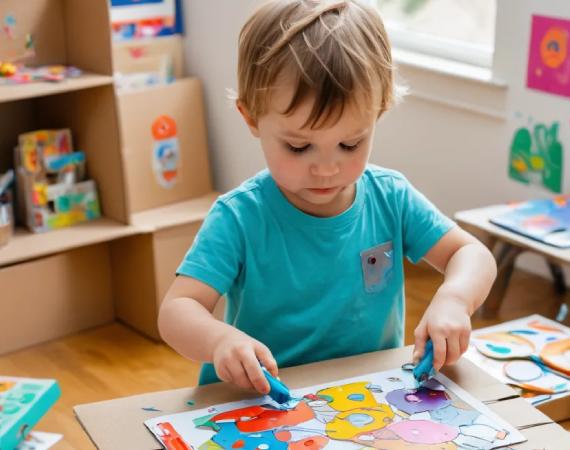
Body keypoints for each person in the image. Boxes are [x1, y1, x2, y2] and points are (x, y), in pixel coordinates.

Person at [158, 0, 496, 394]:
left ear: (380, 112)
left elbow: (471, 254)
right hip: (263, 402)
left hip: (366, 398)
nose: (326, 168)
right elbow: (177, 311)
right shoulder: (239, 216)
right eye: (299, 147)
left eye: (350, 144)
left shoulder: (390, 197)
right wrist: (219, 341)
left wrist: (455, 299)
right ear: (251, 118)